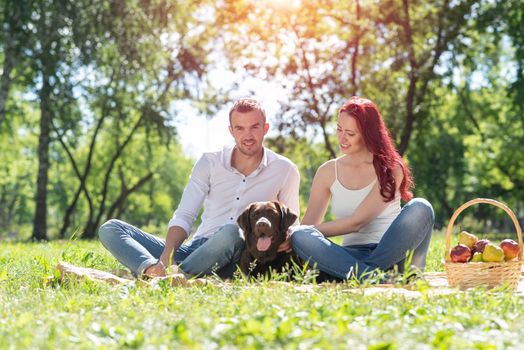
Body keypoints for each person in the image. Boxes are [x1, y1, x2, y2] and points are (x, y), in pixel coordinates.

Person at [98, 98, 300, 279]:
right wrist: (166, 257)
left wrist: (287, 236)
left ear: (265, 128)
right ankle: (154, 271)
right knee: (111, 228)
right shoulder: (210, 161)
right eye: (239, 128)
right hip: (196, 250)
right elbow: (185, 214)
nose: (247, 135)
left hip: (239, 254)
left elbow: (293, 224)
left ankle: (175, 277)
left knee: (231, 232)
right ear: (231, 130)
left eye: (254, 127)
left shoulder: (285, 169)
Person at [290, 96, 434, 281]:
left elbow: (357, 222)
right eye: (339, 130)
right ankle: (374, 277)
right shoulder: (327, 171)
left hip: (393, 254)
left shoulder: (391, 168)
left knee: (421, 206)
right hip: (350, 256)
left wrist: (307, 232)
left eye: (350, 134)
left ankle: (359, 274)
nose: (342, 139)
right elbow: (307, 226)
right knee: (300, 235)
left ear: (368, 134)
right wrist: (296, 236)